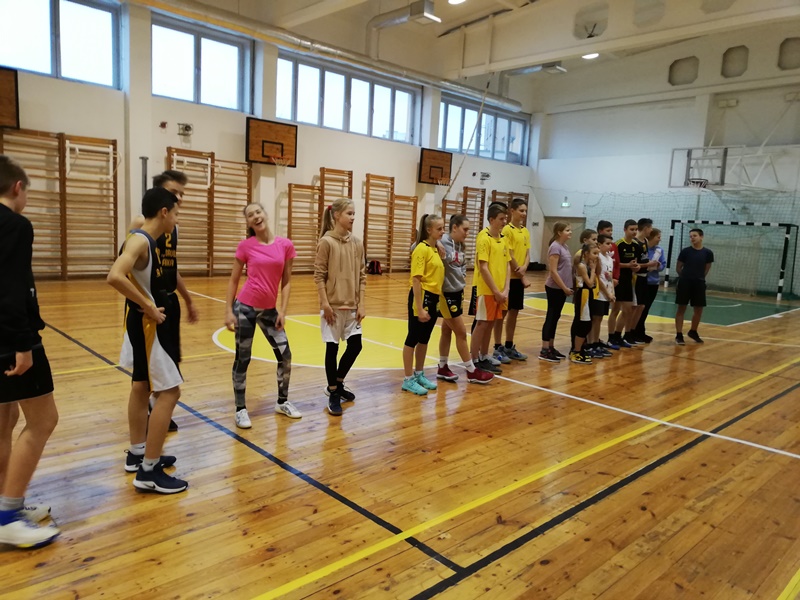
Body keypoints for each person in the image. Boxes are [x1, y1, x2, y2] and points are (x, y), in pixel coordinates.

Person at [107, 187, 186, 494]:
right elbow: (114, 275)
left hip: (144, 323)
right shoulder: (140, 240)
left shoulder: (148, 241)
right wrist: (148, 305)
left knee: (141, 385)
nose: (176, 219)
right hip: (150, 325)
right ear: (164, 212)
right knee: (170, 392)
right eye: (175, 213)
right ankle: (149, 471)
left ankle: (138, 453)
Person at [0, 155, 60, 547]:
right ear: (17, 187)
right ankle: (8, 516)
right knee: (43, 420)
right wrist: (23, 344)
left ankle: (5, 505)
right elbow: (10, 288)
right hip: (10, 339)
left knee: (4, 421)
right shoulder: (15, 225)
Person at [129, 170, 197, 433]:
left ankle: (158, 410)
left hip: (168, 302)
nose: (179, 197)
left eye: (182, 193)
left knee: (170, 364)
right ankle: (147, 424)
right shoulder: (142, 223)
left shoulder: (173, 226)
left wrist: (188, 299)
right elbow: (127, 267)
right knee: (146, 375)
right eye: (173, 192)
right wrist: (142, 302)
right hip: (149, 306)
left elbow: (171, 268)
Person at [225, 203, 299, 427]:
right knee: (243, 358)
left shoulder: (285, 245)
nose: (255, 216)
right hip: (245, 308)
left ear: (265, 214)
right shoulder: (245, 246)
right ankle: (240, 409)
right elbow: (233, 280)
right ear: (248, 222)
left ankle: (282, 402)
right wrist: (228, 310)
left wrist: (283, 311)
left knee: (285, 355)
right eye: (250, 215)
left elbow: (286, 281)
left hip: (269, 311)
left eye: (258, 212)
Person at [314, 198, 366, 416]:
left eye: (354, 214)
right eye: (349, 214)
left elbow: (362, 275)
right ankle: (334, 392)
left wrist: (361, 303)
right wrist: (325, 304)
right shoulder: (326, 242)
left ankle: (337, 382)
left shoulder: (357, 243)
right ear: (336, 215)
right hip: (333, 307)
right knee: (332, 348)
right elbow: (319, 276)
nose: (353, 217)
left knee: (355, 346)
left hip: (352, 306)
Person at [435, 215, 493, 385]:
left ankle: (442, 366)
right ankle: (471, 371)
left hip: (457, 292)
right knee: (461, 333)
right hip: (446, 294)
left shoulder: (461, 245)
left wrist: (462, 278)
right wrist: (436, 243)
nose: (467, 233)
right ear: (454, 227)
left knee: (446, 330)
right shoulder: (442, 241)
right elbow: (416, 245)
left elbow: (460, 267)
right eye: (465, 229)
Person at [402, 214, 445, 395]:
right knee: (413, 338)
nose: (443, 231)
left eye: (443, 228)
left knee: (424, 339)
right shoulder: (421, 249)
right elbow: (416, 280)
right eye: (439, 229)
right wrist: (419, 308)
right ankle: (408, 379)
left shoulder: (435, 249)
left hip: (434, 298)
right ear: (429, 230)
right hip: (422, 297)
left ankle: (419, 374)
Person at [471, 204, 511, 374]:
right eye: (501, 219)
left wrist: (506, 289)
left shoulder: (503, 239)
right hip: (488, 290)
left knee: (491, 323)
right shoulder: (484, 238)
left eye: (505, 218)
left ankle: (484, 355)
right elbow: (483, 267)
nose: (504, 221)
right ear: (492, 219)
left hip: (501, 291)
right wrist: (495, 290)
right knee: (482, 324)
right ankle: (474, 359)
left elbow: (508, 265)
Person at [493, 198, 530, 363]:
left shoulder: (525, 231)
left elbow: (527, 253)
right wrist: (520, 273)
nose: (524, 213)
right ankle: (497, 346)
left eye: (525, 211)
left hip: (519, 277)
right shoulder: (507, 230)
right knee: (502, 314)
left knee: (514, 313)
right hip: (510, 278)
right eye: (521, 210)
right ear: (512, 211)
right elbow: (510, 255)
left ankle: (509, 345)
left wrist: (525, 267)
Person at [539, 222, 573, 363]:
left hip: (562, 288)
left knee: (556, 317)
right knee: (551, 316)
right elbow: (553, 271)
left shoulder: (565, 247)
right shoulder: (555, 247)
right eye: (567, 230)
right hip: (554, 288)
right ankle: (544, 349)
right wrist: (564, 287)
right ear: (559, 232)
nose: (570, 232)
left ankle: (551, 347)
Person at [674, 228, 714, 344]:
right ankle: (679, 335)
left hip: (699, 283)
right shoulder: (685, 251)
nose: (692, 238)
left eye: (694, 236)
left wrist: (699, 278)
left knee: (699, 309)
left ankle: (693, 331)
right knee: (681, 308)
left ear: (701, 237)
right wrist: (684, 278)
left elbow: (707, 268)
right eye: (691, 236)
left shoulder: (708, 253)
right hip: (685, 283)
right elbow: (678, 267)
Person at [611, 219, 642, 348]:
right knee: (615, 309)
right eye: (631, 229)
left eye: (636, 229)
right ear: (625, 230)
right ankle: (611, 336)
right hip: (618, 280)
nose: (634, 232)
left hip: (629, 280)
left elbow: (635, 262)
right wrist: (627, 265)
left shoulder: (636, 245)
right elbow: (614, 264)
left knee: (628, 310)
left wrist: (636, 267)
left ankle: (618, 335)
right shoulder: (618, 244)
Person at [628, 217, 657, 344]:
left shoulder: (645, 241)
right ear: (646, 228)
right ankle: (628, 333)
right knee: (634, 307)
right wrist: (648, 264)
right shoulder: (635, 242)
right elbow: (635, 264)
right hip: (636, 278)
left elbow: (643, 260)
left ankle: (634, 332)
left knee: (642, 306)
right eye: (650, 228)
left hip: (644, 277)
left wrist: (649, 264)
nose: (651, 230)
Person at [570, 242, 599, 364]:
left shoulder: (587, 265)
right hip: (583, 295)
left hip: (589, 294)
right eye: (594, 253)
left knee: (587, 323)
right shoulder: (582, 266)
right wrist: (593, 269)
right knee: (584, 324)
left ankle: (580, 349)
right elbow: (590, 283)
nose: (597, 256)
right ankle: (576, 351)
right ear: (586, 253)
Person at [635, 227, 666, 343]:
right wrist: (647, 265)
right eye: (658, 237)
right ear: (652, 237)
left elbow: (663, 265)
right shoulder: (643, 248)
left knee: (646, 308)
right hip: (642, 280)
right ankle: (634, 331)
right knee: (639, 308)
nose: (660, 239)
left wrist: (658, 266)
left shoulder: (659, 250)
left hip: (653, 282)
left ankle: (640, 331)